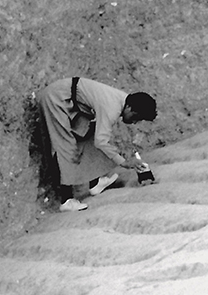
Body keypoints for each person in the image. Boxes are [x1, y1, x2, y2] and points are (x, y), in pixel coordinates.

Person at [38, 77, 157, 211]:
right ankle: (66, 200)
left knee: (89, 131)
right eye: (136, 117)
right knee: (66, 145)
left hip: (70, 100)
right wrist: (123, 162)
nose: (135, 122)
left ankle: (95, 184)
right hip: (55, 99)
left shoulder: (124, 100)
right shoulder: (111, 108)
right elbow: (101, 142)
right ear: (129, 108)